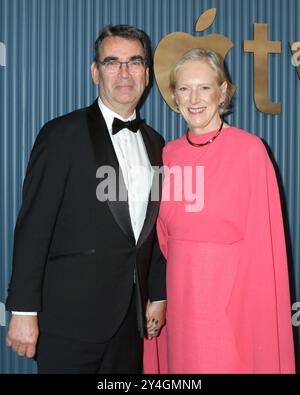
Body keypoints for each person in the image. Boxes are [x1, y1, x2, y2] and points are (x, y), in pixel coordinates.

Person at [5, 24, 166, 374]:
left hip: (129, 324)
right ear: (95, 72)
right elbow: (34, 226)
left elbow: (153, 232)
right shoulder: (62, 134)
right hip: (68, 323)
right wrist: (23, 311)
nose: (124, 72)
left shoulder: (156, 143)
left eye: (134, 62)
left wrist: (157, 295)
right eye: (112, 62)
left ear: (147, 73)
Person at [143, 48, 295, 373]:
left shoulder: (250, 151)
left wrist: (248, 313)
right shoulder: (166, 155)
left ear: (223, 91)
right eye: (184, 88)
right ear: (174, 95)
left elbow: (264, 246)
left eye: (205, 87)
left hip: (232, 307)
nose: (194, 98)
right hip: (181, 303)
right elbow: (160, 241)